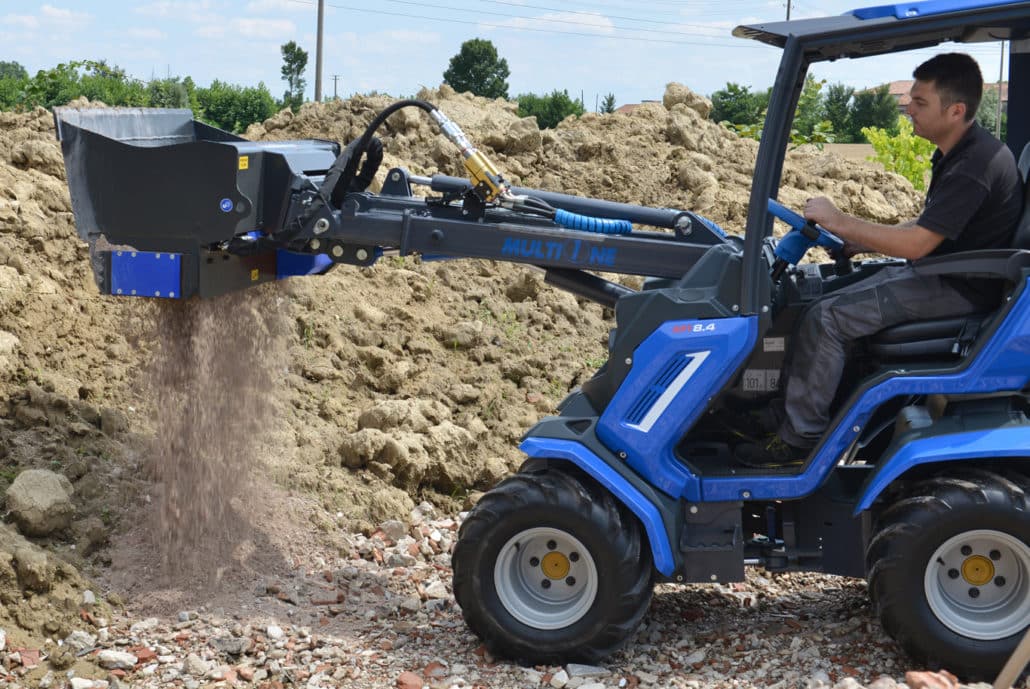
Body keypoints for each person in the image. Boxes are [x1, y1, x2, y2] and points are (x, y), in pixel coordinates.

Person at [738, 52, 1023, 466]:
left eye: (920, 103)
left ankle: (799, 440)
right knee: (812, 303)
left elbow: (917, 244)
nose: (909, 109)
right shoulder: (963, 151)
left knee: (827, 318)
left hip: (957, 286)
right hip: (944, 272)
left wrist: (841, 219)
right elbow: (933, 224)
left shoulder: (975, 164)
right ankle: (784, 411)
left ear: (956, 110)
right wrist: (862, 241)